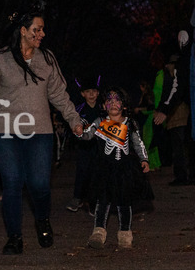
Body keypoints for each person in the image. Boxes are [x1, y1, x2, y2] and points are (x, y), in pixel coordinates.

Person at [0, 1, 83, 255]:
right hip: (5, 133)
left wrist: (74, 120)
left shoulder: (47, 59)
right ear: (23, 30)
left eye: (43, 30)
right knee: (12, 183)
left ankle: (42, 219)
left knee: (40, 184)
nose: (42, 34)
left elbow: (59, 95)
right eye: (37, 29)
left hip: (40, 133)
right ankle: (14, 237)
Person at [81, 87, 152, 249]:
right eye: (109, 101)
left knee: (124, 202)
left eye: (117, 100)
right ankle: (98, 232)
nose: (113, 103)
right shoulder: (100, 122)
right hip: (104, 169)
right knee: (102, 201)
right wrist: (79, 131)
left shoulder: (130, 123)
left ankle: (125, 233)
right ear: (104, 105)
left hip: (124, 169)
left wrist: (144, 159)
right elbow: (87, 135)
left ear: (124, 106)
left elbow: (138, 142)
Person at [154, 32, 193, 185]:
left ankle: (183, 176)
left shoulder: (176, 68)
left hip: (178, 113)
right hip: (175, 112)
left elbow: (172, 90)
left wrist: (163, 109)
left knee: (180, 145)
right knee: (182, 145)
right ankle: (185, 175)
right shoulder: (177, 66)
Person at [67, 77, 103, 212]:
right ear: (83, 94)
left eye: (94, 91)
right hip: (85, 147)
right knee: (82, 171)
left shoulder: (103, 109)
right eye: (88, 91)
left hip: (100, 146)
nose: (92, 94)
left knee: (98, 172)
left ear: (98, 93)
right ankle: (78, 198)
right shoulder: (78, 110)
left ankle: (95, 201)